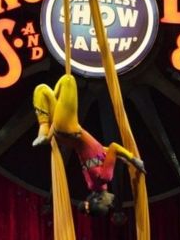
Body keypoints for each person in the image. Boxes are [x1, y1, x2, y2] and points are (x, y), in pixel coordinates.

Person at [32, 74, 146, 216]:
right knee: (42, 90)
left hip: (70, 128)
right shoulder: (91, 184)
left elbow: (113, 147)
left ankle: (44, 128)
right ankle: (45, 129)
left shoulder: (105, 178)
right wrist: (121, 158)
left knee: (68, 80)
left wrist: (133, 159)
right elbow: (96, 151)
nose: (111, 204)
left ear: (98, 200)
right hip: (65, 134)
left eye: (106, 205)